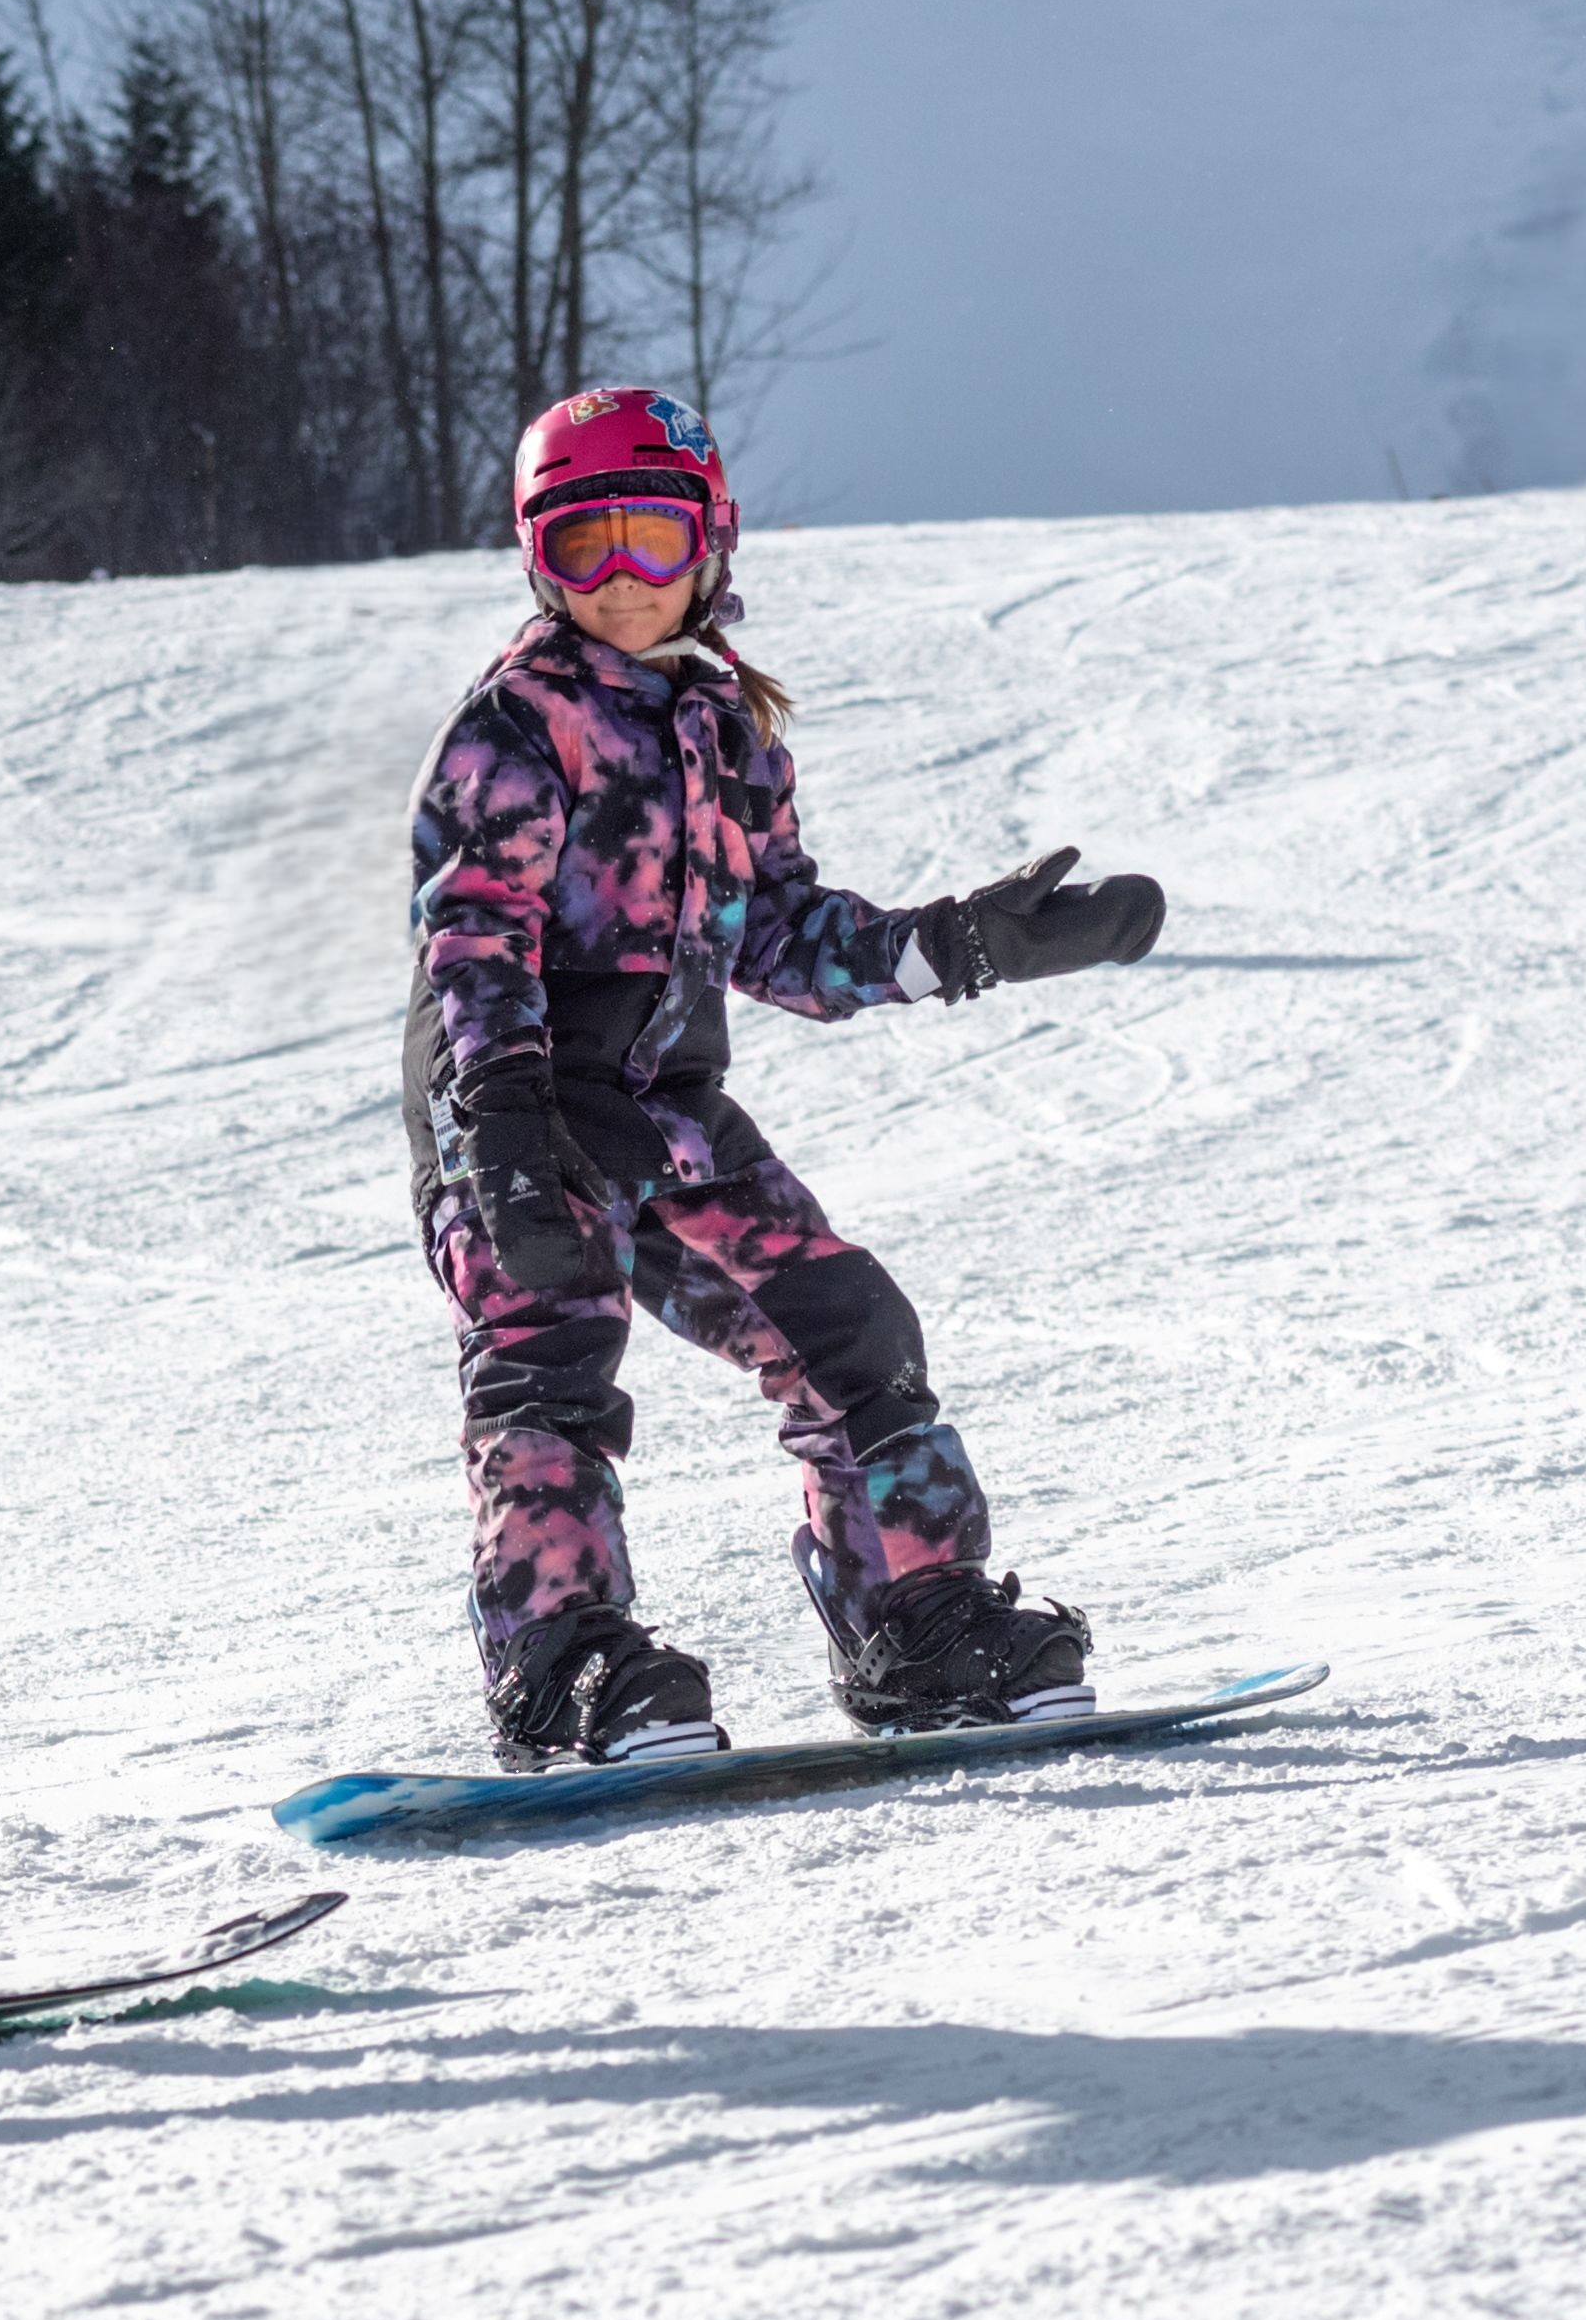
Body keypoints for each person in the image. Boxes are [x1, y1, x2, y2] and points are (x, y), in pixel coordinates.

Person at [402, 385, 1165, 1766]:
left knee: (849, 1328)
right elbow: (473, 937)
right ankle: (559, 1658)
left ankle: (911, 1621)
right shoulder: (514, 727)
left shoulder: (726, 728)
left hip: (665, 1113)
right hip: (515, 1105)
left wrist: (957, 945)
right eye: (583, 545)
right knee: (550, 1352)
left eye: (652, 538)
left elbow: (776, 933)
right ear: (535, 558)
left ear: (712, 540)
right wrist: (498, 1124)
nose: (623, 578)